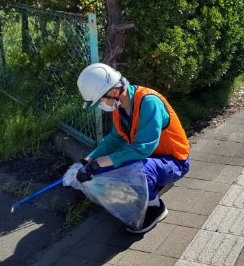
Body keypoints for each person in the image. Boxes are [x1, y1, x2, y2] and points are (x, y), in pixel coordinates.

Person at [75, 63, 190, 234]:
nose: (100, 105)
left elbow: (143, 148)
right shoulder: (119, 106)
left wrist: (100, 162)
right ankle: (153, 186)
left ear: (114, 92)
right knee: (104, 169)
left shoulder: (149, 103)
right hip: (151, 158)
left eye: (100, 101)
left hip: (174, 161)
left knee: (134, 170)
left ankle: (156, 208)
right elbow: (115, 138)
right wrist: (90, 159)